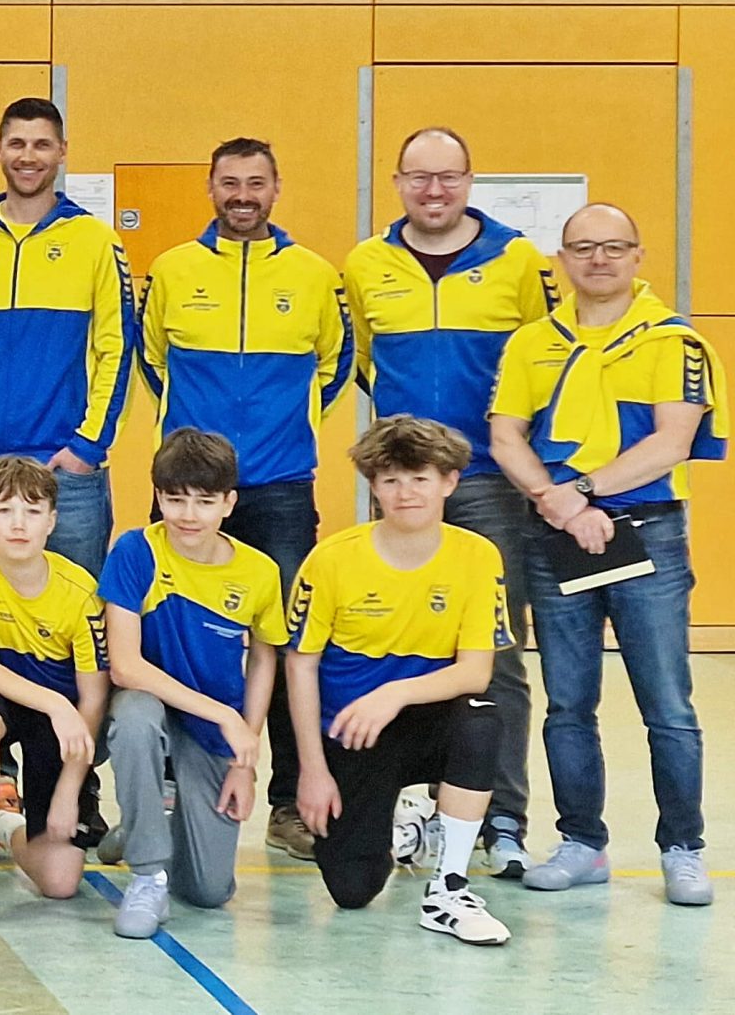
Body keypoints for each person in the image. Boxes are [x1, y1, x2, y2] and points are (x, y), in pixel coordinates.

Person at [488, 203, 725, 905]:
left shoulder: (673, 341)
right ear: (562, 259)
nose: (598, 259)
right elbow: (505, 435)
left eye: (614, 246)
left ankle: (683, 847)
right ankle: (582, 843)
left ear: (638, 256)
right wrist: (555, 502)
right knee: (568, 702)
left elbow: (671, 442)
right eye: (583, 247)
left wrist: (581, 492)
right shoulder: (533, 342)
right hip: (554, 535)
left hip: (647, 532)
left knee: (667, 704)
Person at [339, 126, 556, 872]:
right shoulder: (366, 263)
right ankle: (407, 807)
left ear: (469, 181)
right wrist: (404, 455)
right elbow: (361, 359)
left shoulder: (518, 259)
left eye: (449, 177)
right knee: (397, 639)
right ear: (398, 182)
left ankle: (501, 820)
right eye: (419, 177)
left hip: (490, 481)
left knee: (495, 652)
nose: (434, 191)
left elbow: (545, 360)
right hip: (401, 480)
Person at [138, 137, 350, 865]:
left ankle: (288, 802)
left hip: (281, 485)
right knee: (169, 636)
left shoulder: (315, 276)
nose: (242, 195)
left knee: (285, 645)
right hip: (188, 489)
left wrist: (284, 428)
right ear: (210, 187)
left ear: (276, 188)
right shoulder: (173, 270)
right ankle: (168, 785)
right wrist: (194, 451)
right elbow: (151, 360)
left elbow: (335, 365)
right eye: (229, 182)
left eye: (256, 183)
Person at [286, 415, 514, 945]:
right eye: (391, 480)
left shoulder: (478, 557)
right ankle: (406, 818)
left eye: (420, 478)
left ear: (449, 482)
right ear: (373, 486)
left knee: (482, 717)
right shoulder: (332, 560)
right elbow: (299, 666)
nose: (406, 492)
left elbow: (475, 671)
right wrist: (312, 771)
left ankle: (448, 890)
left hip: (428, 718)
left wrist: (395, 693)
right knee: (351, 889)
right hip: (353, 730)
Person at [0, 98, 134, 576]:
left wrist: (87, 447)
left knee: (78, 608)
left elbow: (118, 349)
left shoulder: (95, 239)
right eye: (17, 143)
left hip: (64, 468)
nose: (28, 156)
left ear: (62, 151)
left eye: (42, 145)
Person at [95, 429, 287, 938]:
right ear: (158, 497)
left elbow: (264, 659)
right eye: (175, 499)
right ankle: (147, 876)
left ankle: (143, 825)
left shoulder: (260, 572)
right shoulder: (136, 551)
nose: (188, 514)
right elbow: (125, 667)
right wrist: (225, 717)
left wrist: (244, 762)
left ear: (229, 503)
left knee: (208, 891)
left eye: (204, 501)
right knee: (134, 718)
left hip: (207, 726)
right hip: (150, 701)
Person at [0, 456, 107, 932]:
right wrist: (54, 703)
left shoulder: (81, 592)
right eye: (4, 510)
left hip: (58, 722)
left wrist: (69, 790)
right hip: (3, 695)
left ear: (52, 521)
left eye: (32, 512)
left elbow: (93, 701)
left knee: (60, 882)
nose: (18, 525)